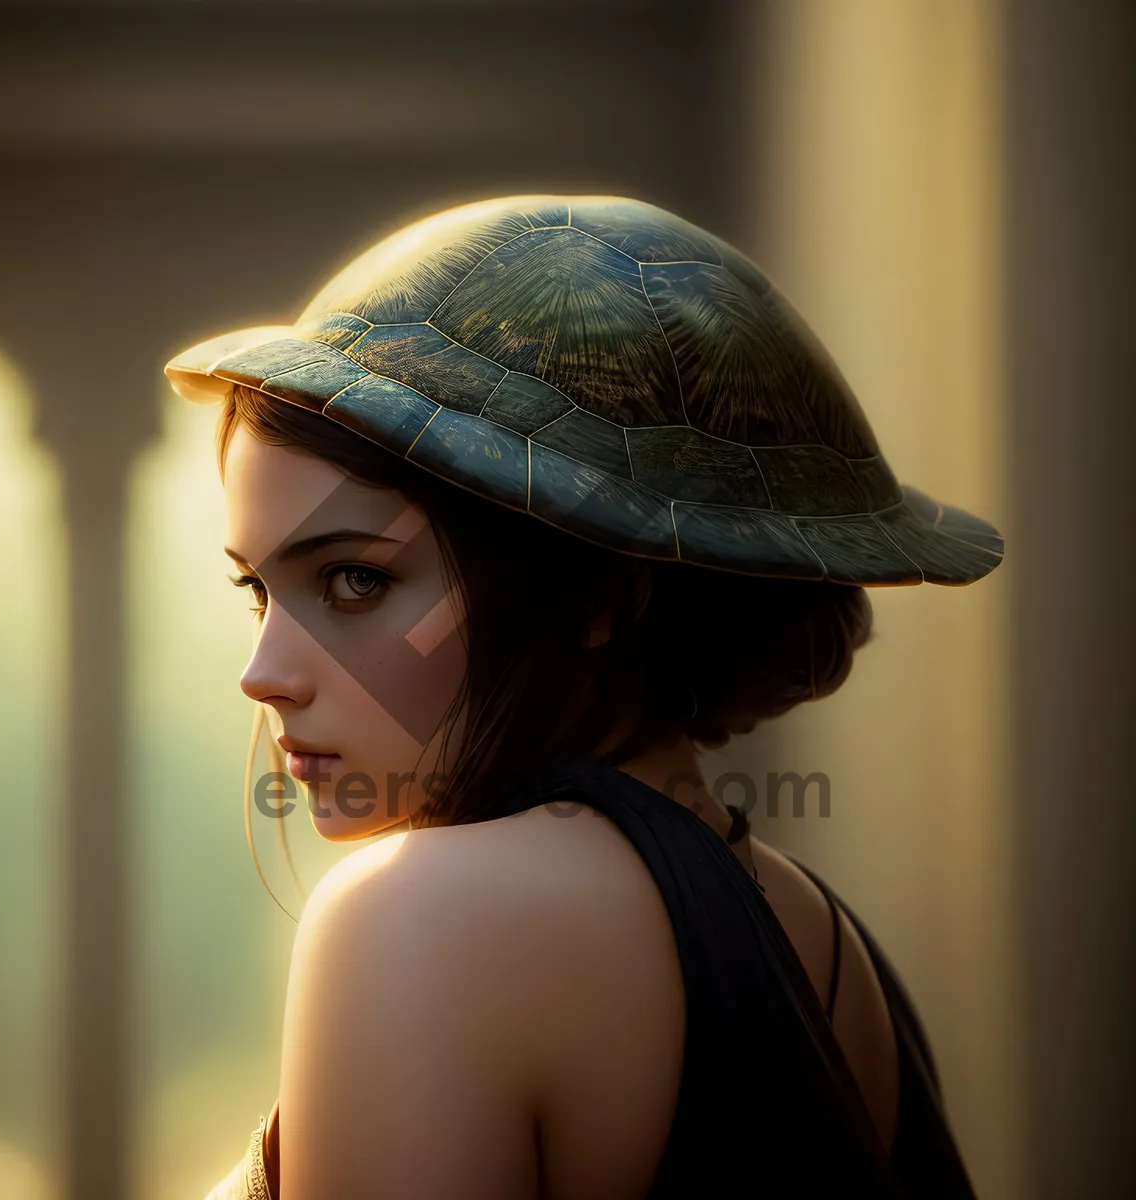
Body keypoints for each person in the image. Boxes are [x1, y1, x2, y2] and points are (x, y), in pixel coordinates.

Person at [165, 195, 1001, 1199]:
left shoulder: (420, 920)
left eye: (355, 580)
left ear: (596, 600)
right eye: (259, 589)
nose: (264, 673)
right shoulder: (828, 944)